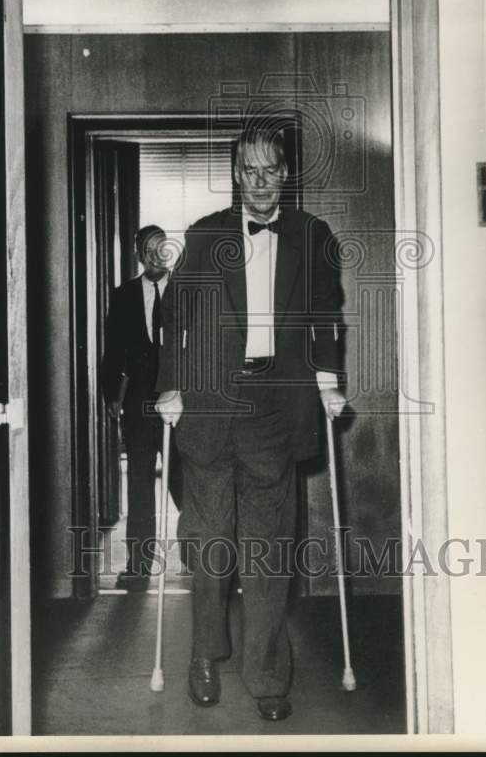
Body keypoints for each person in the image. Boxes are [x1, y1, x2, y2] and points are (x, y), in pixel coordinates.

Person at [155, 122, 347, 721]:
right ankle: (206, 654)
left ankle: (267, 677)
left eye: (271, 170)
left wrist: (327, 380)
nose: (260, 182)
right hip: (210, 404)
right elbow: (173, 318)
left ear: (285, 174)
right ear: (236, 175)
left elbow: (325, 317)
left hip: (275, 406)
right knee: (211, 542)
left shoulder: (312, 236)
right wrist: (169, 385)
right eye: (249, 171)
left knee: (268, 549)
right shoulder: (205, 235)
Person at [101, 224, 183, 589]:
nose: (154, 256)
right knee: (139, 484)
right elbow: (113, 351)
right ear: (138, 255)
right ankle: (138, 567)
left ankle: (203, 559)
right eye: (147, 250)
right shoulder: (124, 295)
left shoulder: (185, 291)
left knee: (187, 480)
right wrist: (111, 395)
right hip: (139, 405)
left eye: (160, 248)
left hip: (181, 403)